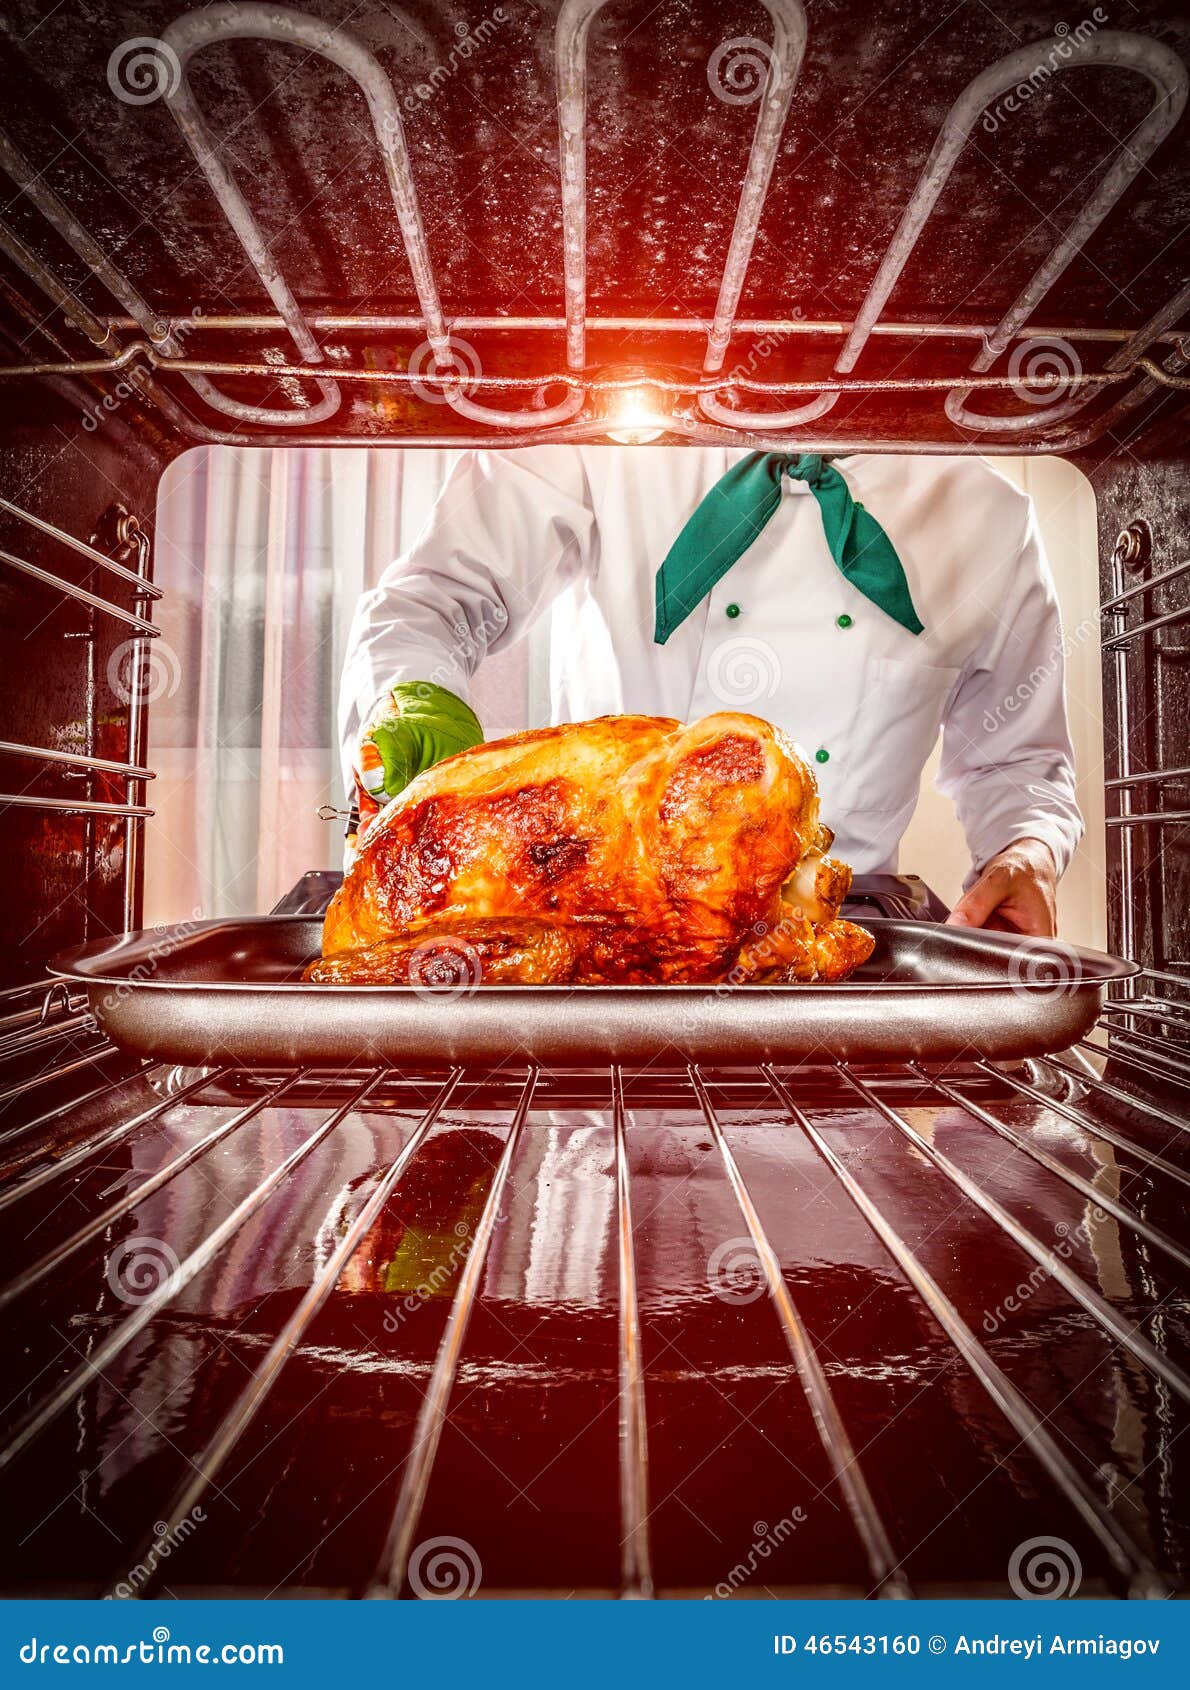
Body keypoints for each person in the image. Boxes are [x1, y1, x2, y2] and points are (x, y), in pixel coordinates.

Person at [338, 448, 1082, 936]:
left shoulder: (990, 516)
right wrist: (413, 697)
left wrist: (1025, 854)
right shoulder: (599, 436)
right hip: (598, 922)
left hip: (829, 941)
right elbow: (433, 601)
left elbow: (1016, 763)